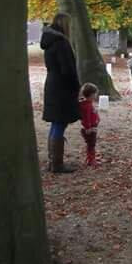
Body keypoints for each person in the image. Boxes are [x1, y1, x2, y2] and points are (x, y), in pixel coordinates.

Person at [41, 13, 81, 173]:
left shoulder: (50, 42)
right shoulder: (61, 43)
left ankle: (53, 161)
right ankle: (57, 164)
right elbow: (68, 70)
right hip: (61, 88)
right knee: (59, 122)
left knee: (56, 122)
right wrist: (76, 87)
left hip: (53, 84)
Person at [79, 83, 100, 167]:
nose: (96, 96)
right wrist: (88, 128)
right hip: (90, 128)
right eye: (95, 94)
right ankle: (91, 160)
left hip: (92, 127)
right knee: (91, 144)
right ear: (91, 95)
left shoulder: (89, 103)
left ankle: (91, 158)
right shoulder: (86, 105)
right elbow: (86, 118)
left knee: (91, 144)